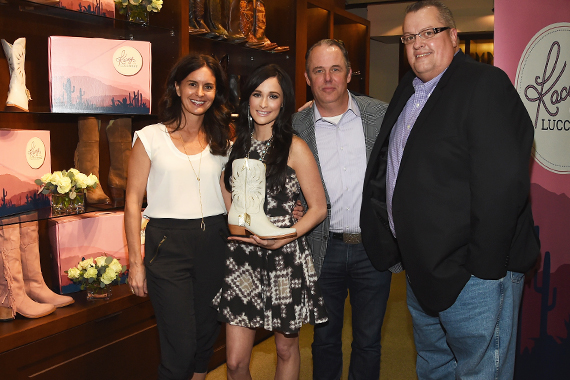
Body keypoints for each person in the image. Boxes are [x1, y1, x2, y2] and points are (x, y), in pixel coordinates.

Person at [361, 1, 541, 379]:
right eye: (410, 37)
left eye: (430, 32)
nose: (418, 43)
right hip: (423, 270)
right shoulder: (407, 92)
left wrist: (482, 272)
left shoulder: (484, 84)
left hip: (473, 276)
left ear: (454, 36)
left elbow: (503, 185)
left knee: (479, 372)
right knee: (434, 366)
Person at [212, 63, 328, 380]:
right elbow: (229, 193)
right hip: (243, 259)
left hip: (284, 257)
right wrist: (237, 224)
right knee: (235, 362)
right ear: (247, 99)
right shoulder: (238, 146)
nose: (264, 103)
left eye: (273, 96)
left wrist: (287, 234)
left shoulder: (295, 147)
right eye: (257, 94)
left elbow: (318, 208)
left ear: (283, 102)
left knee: (285, 350)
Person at [124, 54, 232, 380]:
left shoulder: (223, 140)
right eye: (193, 84)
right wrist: (135, 263)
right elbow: (131, 203)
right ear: (177, 86)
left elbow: (231, 199)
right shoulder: (150, 138)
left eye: (208, 86)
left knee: (204, 340)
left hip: (216, 241)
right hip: (167, 247)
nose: (200, 93)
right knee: (179, 348)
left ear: (216, 92)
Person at [292, 39, 394, 380]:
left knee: (368, 342)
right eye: (318, 71)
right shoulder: (295, 126)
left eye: (335, 69)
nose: (328, 78)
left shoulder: (381, 115)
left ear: (349, 74)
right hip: (322, 248)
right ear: (307, 78)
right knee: (324, 340)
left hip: (371, 248)